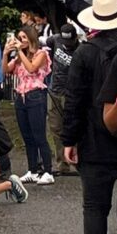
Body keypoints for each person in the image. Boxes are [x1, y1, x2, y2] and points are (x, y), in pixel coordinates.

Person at [64, 0, 117, 234]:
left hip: (95, 137)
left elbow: (73, 101)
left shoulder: (85, 52)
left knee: (95, 207)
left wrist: (68, 140)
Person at [4, 25, 53, 185]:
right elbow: (5, 70)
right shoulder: (20, 56)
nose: (20, 41)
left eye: (23, 38)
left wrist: (19, 52)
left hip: (35, 95)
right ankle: (32, 170)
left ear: (31, 38)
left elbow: (32, 69)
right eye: (19, 38)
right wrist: (5, 53)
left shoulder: (42, 53)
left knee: (39, 135)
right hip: (21, 96)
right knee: (27, 136)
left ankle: (47, 170)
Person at [48, 24, 81, 176]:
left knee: (73, 127)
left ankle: (77, 162)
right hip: (54, 91)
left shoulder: (80, 50)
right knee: (56, 128)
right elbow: (45, 44)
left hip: (71, 93)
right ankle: (62, 164)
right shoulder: (55, 40)